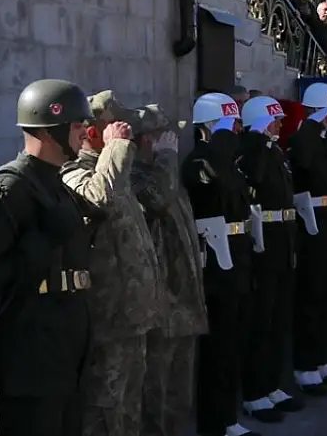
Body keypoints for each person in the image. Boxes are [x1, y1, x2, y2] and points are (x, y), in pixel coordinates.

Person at [0, 79, 94, 436]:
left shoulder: (56, 186)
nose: (85, 133)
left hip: (67, 352)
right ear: (51, 130)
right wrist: (42, 241)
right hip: (31, 358)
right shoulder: (8, 190)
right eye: (78, 125)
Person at [61, 91, 162, 436]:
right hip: (107, 318)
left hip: (133, 315)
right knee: (105, 408)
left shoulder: (114, 168)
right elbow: (98, 199)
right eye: (115, 125)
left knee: (130, 406)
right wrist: (115, 148)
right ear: (91, 132)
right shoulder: (73, 172)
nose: (125, 132)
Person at [182, 92, 260, 436]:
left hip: (239, 255)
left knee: (235, 341)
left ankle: (229, 416)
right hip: (216, 262)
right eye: (229, 127)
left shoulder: (230, 161)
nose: (236, 132)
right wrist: (223, 143)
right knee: (219, 346)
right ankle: (215, 422)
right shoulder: (199, 162)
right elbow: (215, 187)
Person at [130, 104, 208, 436]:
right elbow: (157, 200)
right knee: (155, 396)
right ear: (148, 138)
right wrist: (166, 157)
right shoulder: (134, 176)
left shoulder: (167, 172)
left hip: (184, 301)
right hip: (158, 305)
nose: (174, 139)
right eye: (165, 134)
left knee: (179, 394)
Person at [237, 96, 304, 420]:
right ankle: (255, 392)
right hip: (264, 244)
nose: (279, 125)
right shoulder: (253, 149)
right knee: (261, 320)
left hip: (282, 240)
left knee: (279, 319)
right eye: (273, 119)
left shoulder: (273, 150)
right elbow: (256, 181)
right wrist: (261, 143)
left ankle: (272, 384)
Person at [288, 82, 327, 394]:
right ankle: (304, 363)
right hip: (311, 227)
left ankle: (320, 356)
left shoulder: (326, 140)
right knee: (311, 298)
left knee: (326, 295)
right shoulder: (305, 138)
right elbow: (305, 170)